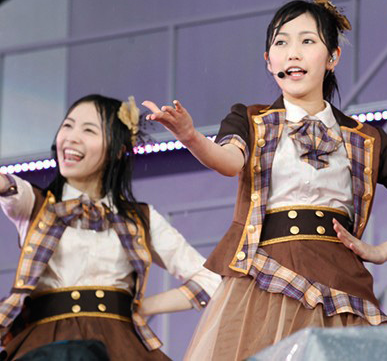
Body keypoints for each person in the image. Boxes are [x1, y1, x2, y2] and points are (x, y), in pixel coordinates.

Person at [144, 0, 387, 360]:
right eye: (281, 43)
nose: (293, 53)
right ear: (268, 61)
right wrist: (190, 137)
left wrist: (382, 251)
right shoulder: (251, 119)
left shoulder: (365, 139)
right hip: (265, 279)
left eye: (307, 41)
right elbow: (228, 162)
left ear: (333, 57)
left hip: (341, 283)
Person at [0, 95, 221, 359]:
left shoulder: (140, 218)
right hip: (47, 343)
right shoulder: (35, 204)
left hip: (120, 344)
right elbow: (10, 187)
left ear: (117, 150)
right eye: (68, 126)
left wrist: (143, 306)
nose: (71, 137)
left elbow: (211, 280)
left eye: (88, 130)